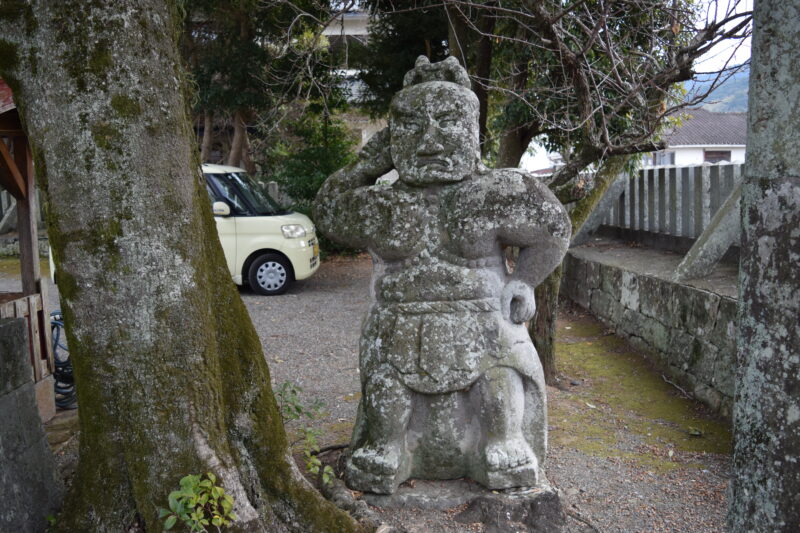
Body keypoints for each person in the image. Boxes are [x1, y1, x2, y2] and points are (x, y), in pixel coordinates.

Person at [313, 56, 571, 494]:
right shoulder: (384, 205)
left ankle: (502, 441)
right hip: (401, 318)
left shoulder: (494, 193)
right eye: (411, 125)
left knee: (498, 372)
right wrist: (363, 167)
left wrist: (525, 279)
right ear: (393, 138)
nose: (429, 139)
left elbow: (554, 230)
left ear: (473, 132)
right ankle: (387, 445)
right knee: (386, 377)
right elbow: (328, 212)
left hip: (480, 316)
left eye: (449, 121)